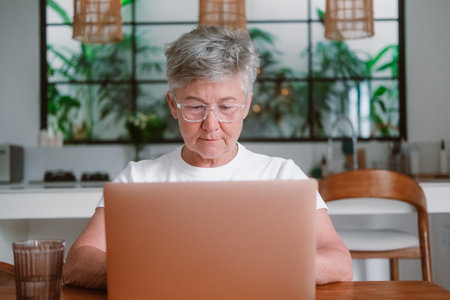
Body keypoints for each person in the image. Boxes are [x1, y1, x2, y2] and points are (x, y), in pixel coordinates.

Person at [63, 25, 353, 289]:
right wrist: (156, 273)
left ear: (246, 105)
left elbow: (339, 261)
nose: (211, 125)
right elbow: (78, 261)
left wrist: (268, 269)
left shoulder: (283, 176)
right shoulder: (137, 179)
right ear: (173, 105)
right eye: (195, 107)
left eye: (226, 107)